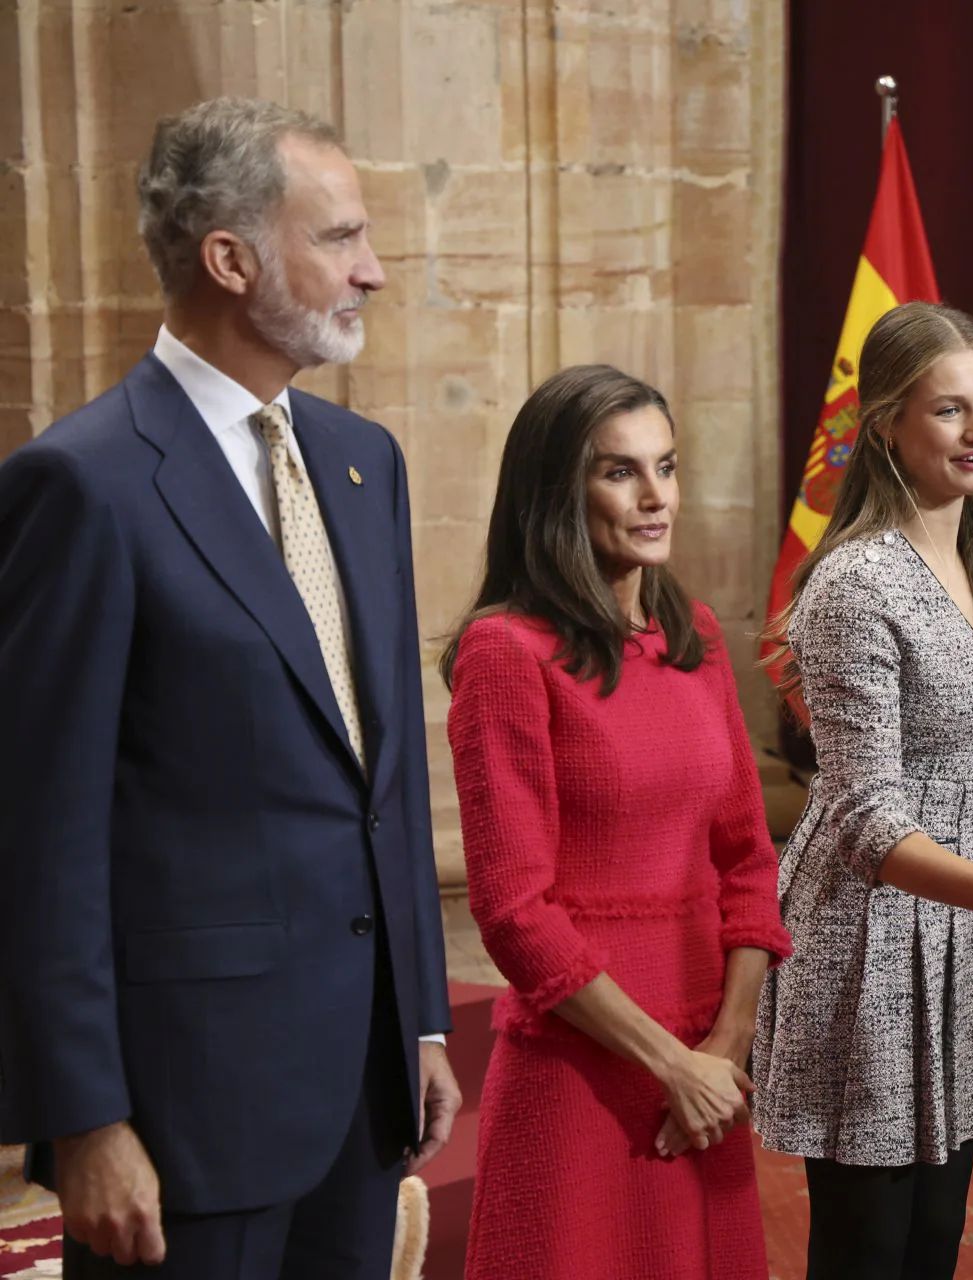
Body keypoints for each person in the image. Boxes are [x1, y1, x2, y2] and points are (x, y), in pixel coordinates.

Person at [0, 97, 457, 1277]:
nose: (376, 269)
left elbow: (382, 767)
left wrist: (419, 1017)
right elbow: (40, 833)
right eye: (343, 236)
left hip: (363, 1088)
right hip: (185, 1108)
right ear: (231, 257)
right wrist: (85, 1117)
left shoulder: (367, 465)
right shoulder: (83, 484)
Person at [443, 366, 791, 1279]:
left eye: (665, 467)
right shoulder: (506, 654)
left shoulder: (699, 639)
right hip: (585, 1069)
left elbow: (750, 863)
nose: (654, 497)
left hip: (706, 1076)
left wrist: (720, 1052)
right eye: (619, 472)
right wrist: (668, 1063)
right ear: (559, 492)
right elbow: (514, 911)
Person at [755, 301, 973, 1279]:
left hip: (963, 930)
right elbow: (863, 820)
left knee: (932, 1243)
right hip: (872, 945)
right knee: (868, 1254)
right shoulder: (855, 583)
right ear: (886, 423)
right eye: (948, 411)